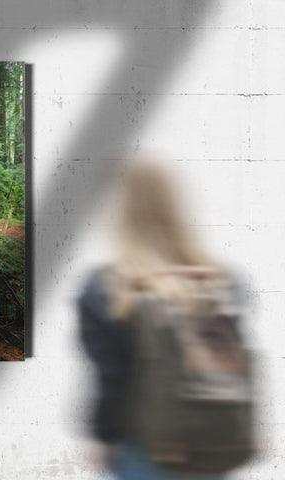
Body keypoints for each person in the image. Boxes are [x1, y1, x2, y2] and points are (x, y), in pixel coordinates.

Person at [77, 159, 251, 480]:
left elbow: (112, 382)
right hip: (214, 447)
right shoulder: (225, 282)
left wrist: (104, 438)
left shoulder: (108, 288)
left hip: (146, 452)